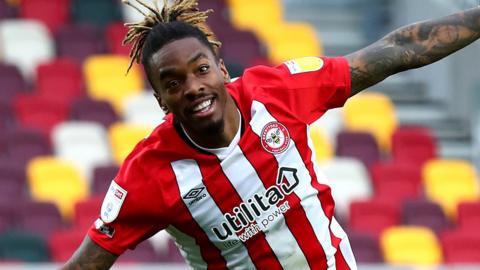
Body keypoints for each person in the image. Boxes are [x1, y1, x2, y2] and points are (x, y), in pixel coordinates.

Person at [62, 0, 480, 269]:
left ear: (222, 69)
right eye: (173, 83)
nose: (192, 87)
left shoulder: (275, 94)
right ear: (160, 100)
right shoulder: (148, 175)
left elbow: (394, 49)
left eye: (201, 69)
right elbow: (87, 264)